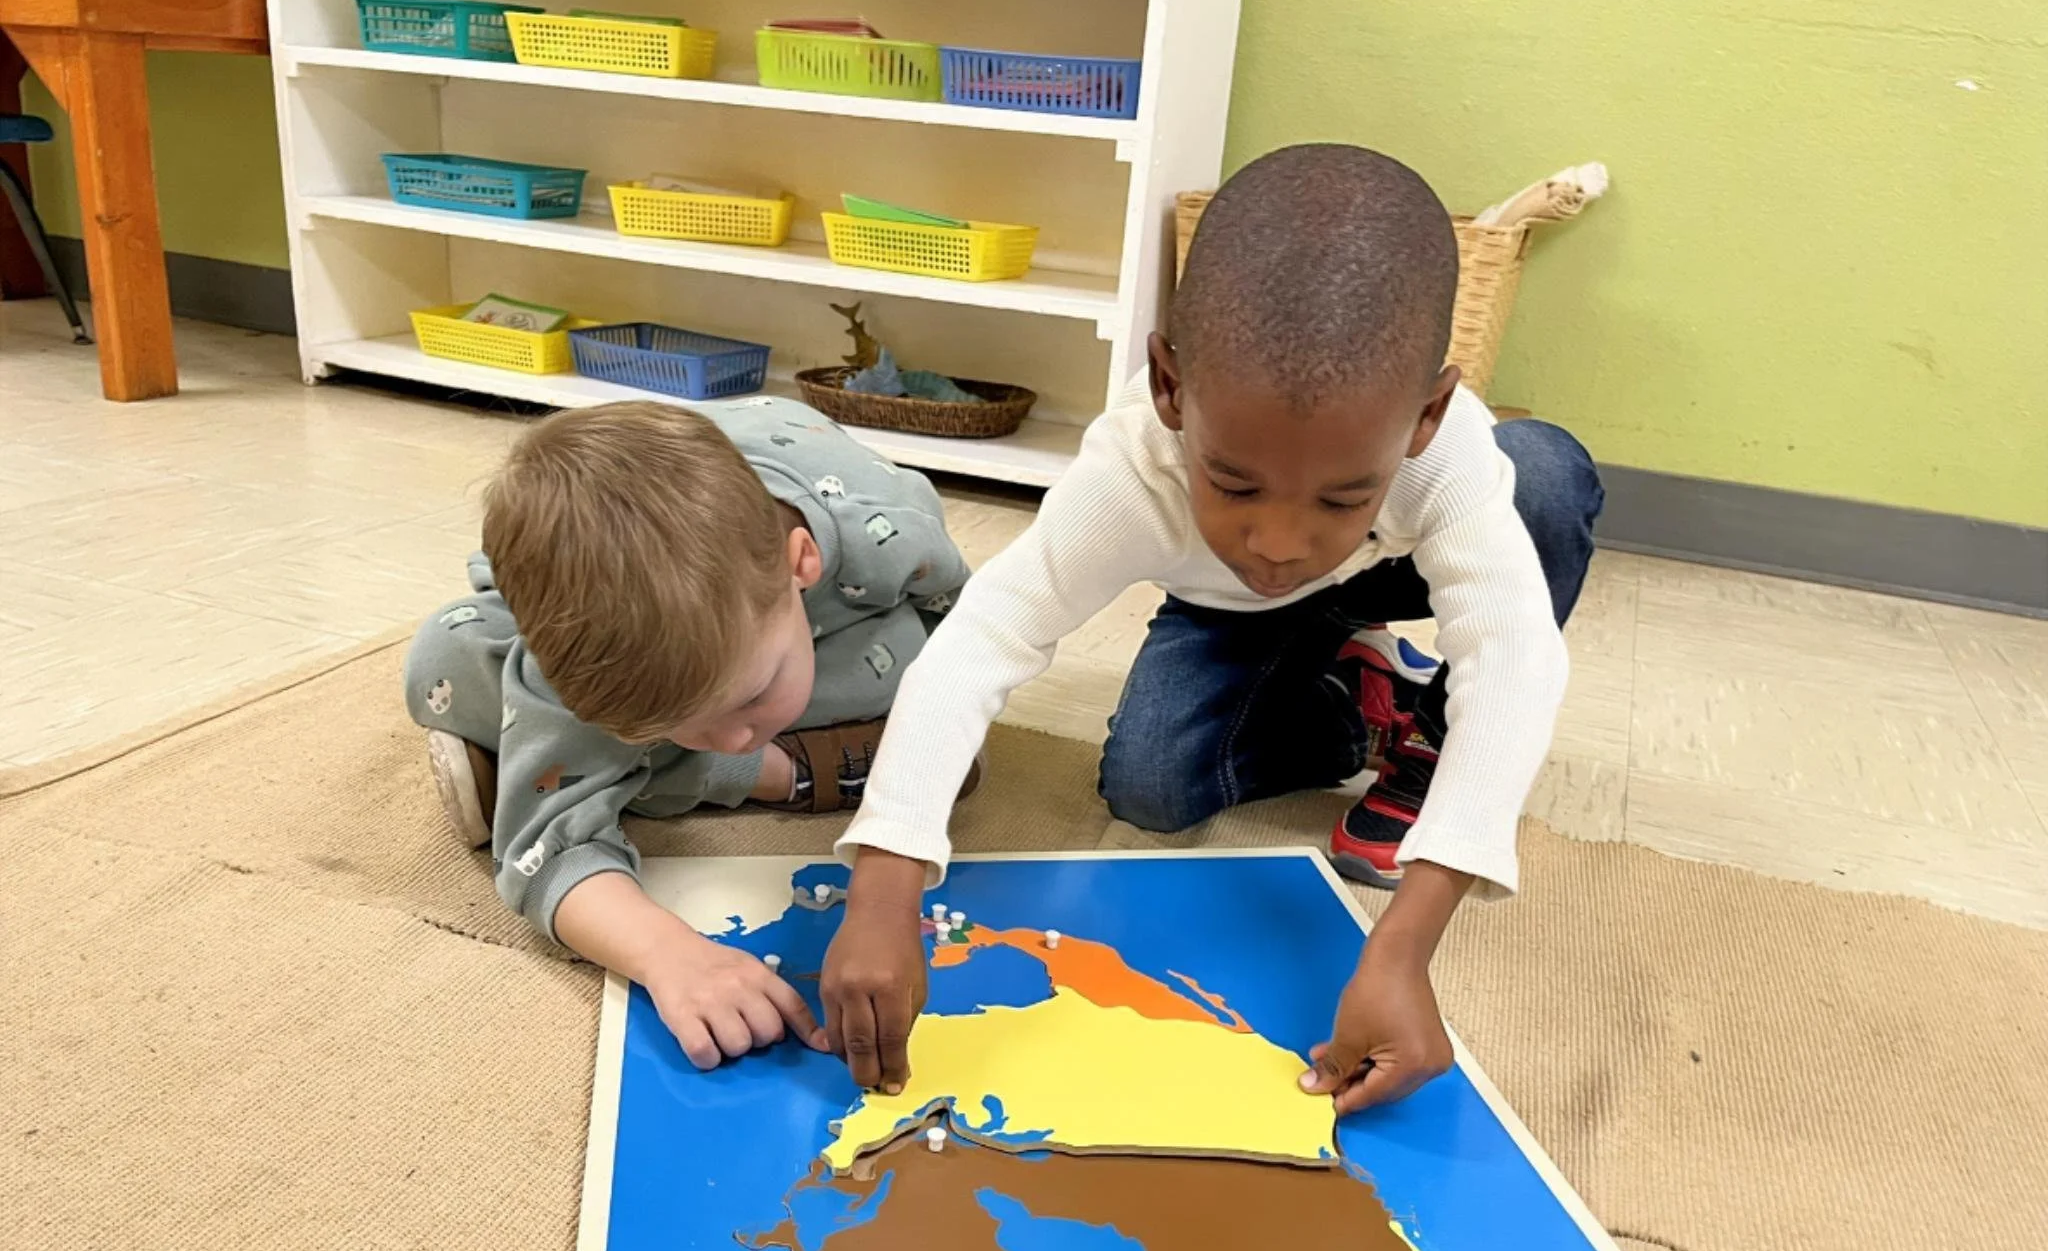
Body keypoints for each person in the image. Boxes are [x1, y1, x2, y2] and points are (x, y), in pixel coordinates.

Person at [819, 143, 1603, 1113]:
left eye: (1340, 493)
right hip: (1225, 613)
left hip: (1393, 572)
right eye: (1231, 483)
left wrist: (1402, 944)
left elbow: (1515, 654)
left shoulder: (1449, 453)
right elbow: (986, 638)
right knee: (1147, 786)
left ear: (1425, 415)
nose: (1278, 541)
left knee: (1546, 473)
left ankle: (1425, 740)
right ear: (1168, 389)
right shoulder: (1128, 472)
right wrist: (885, 888)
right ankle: (1352, 703)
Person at [403, 398, 971, 1070]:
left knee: (904, 661)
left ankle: (594, 757)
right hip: (639, 599)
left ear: (802, 562)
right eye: (681, 727)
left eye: (754, 697)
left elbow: (969, 627)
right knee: (444, 661)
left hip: (834, 595)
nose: (732, 738)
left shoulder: (880, 531)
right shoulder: (581, 648)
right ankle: (774, 769)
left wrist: (939, 719)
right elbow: (545, 856)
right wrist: (667, 954)